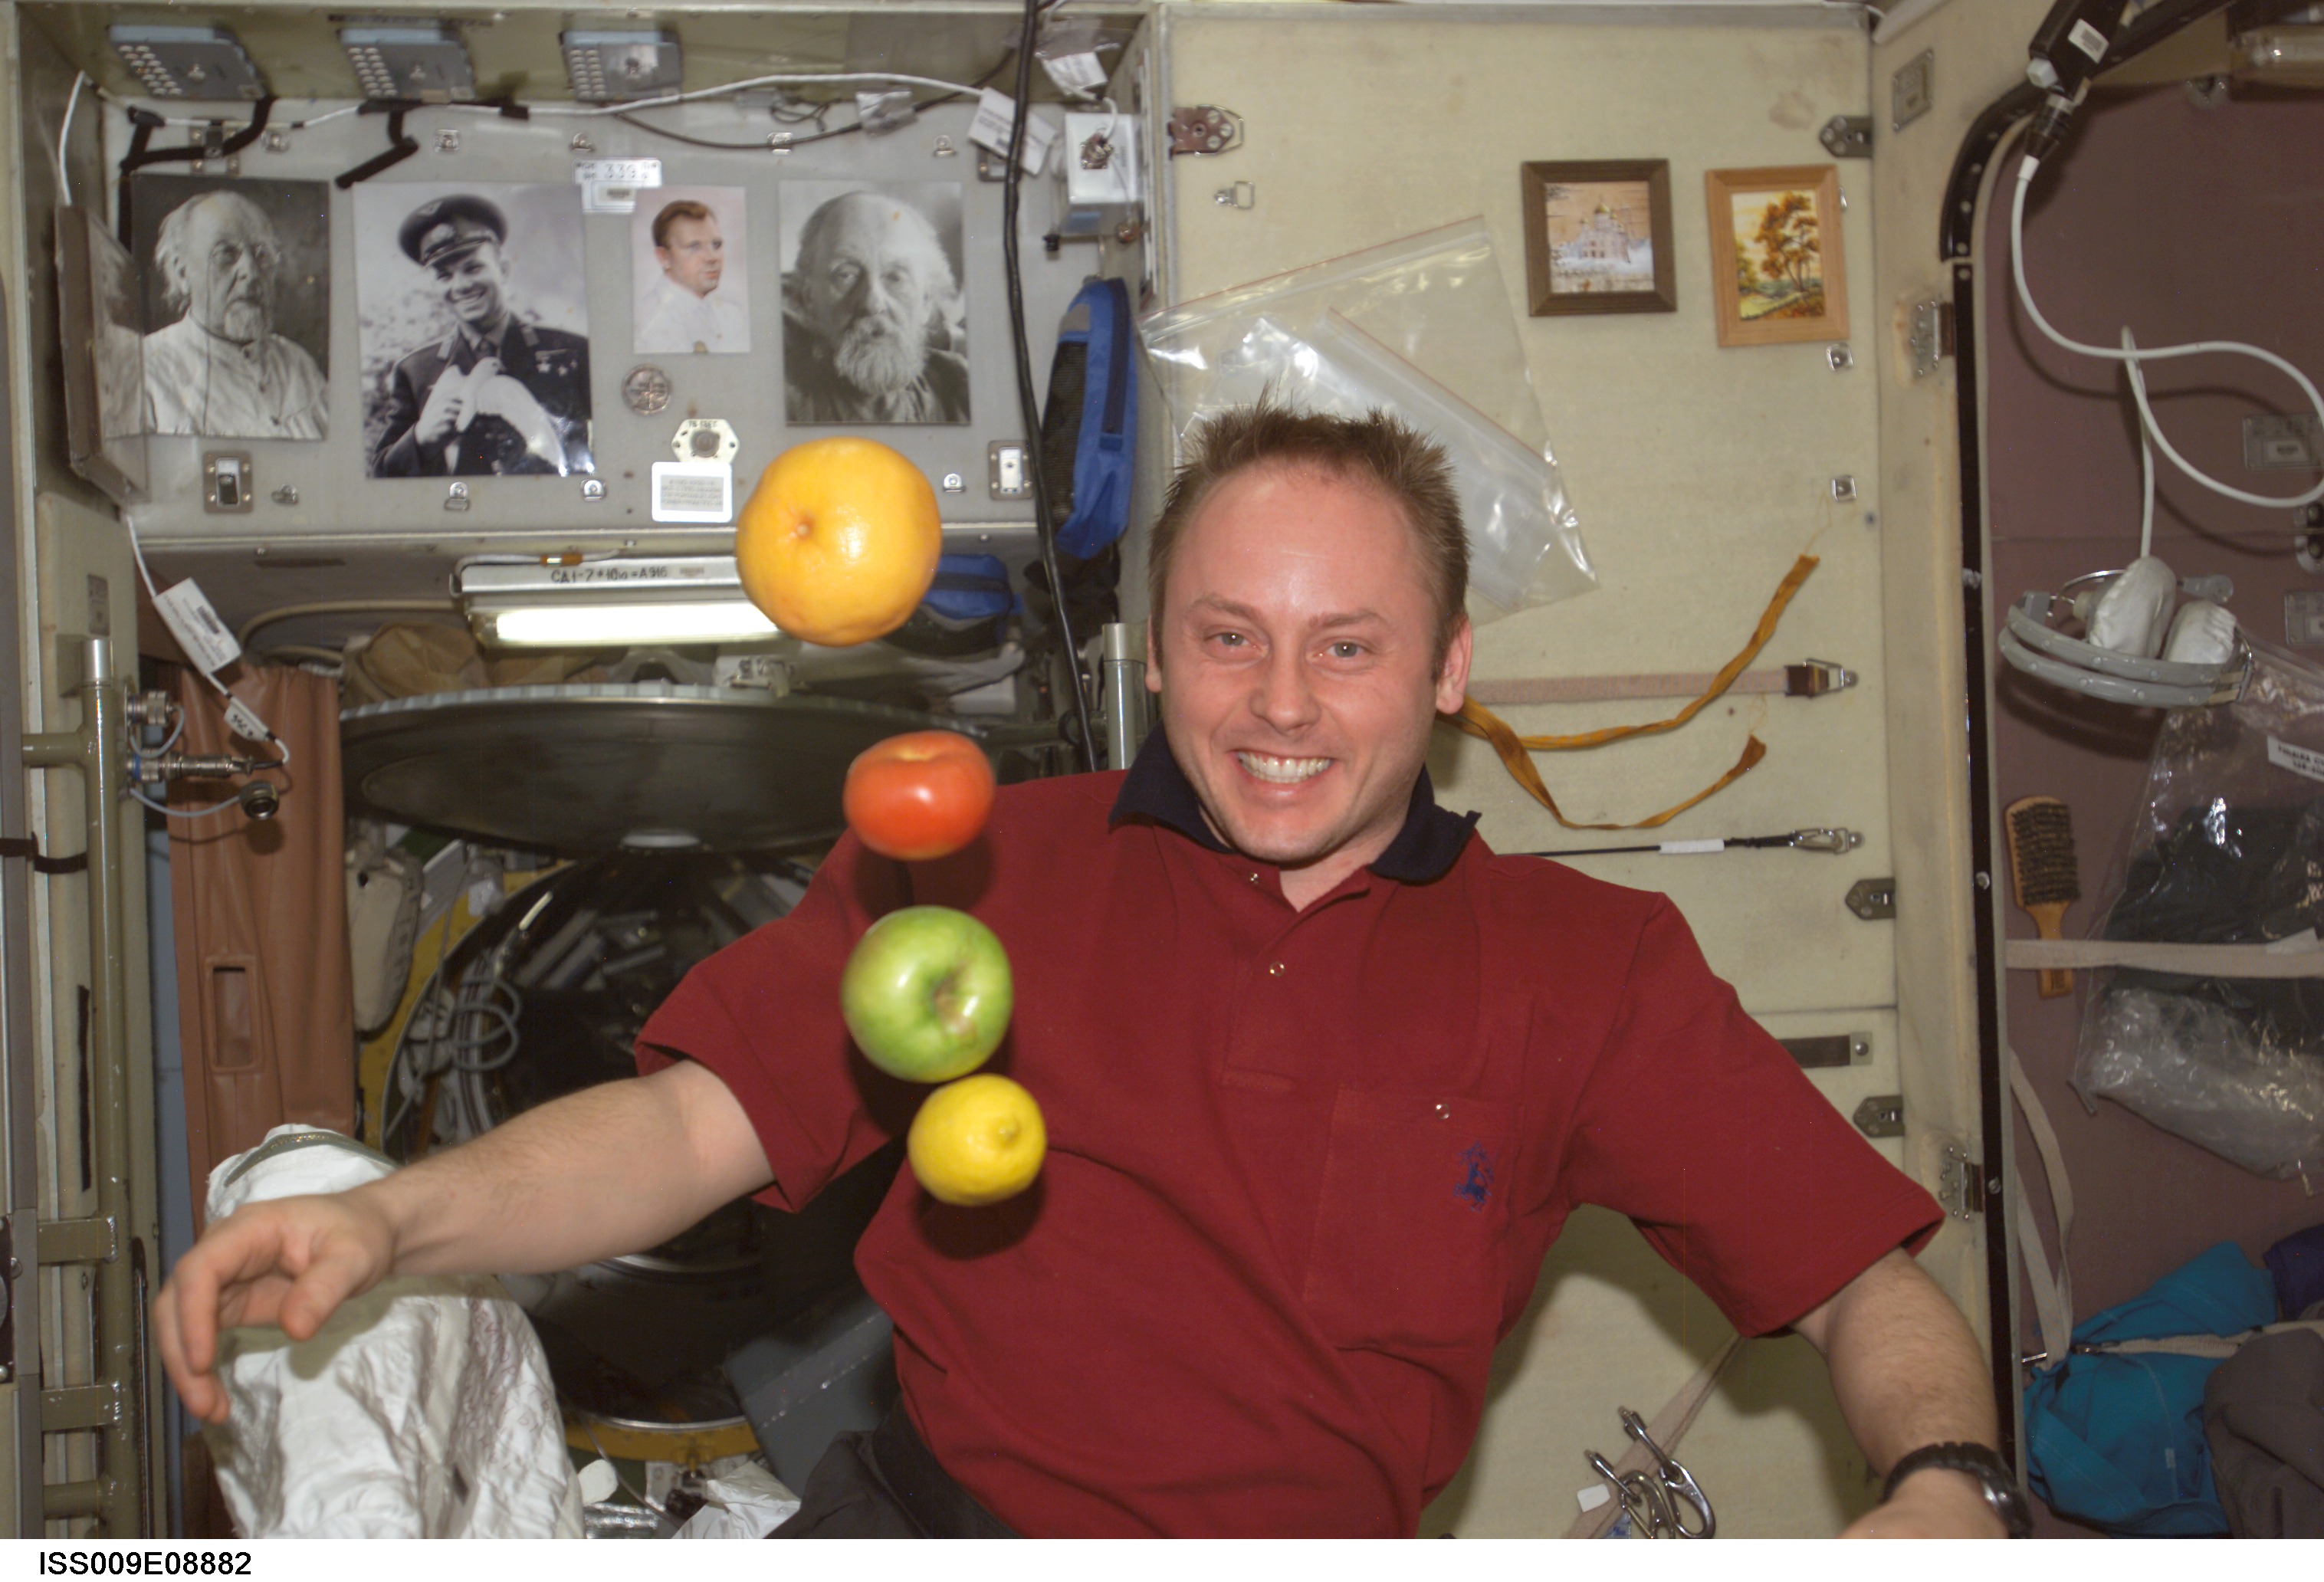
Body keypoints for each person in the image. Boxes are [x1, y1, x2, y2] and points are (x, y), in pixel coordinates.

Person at [156, 403, 2019, 1539]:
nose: (1282, 704)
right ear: (1156, 655)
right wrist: (395, 1221)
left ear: (1450, 666)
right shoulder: (983, 859)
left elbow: (1868, 1277)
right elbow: (692, 1122)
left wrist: (1946, 1479)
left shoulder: (1585, 965)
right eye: (1229, 636)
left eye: (1348, 644)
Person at [371, 195, 592, 478]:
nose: (461, 285)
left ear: (503, 270)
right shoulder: (415, 371)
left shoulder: (571, 352)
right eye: (444, 276)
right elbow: (380, 474)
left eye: (473, 268)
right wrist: (419, 440)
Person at [142, 189, 328, 440]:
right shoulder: (146, 368)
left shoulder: (298, 364)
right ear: (182, 273)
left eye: (262, 255)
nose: (251, 272)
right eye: (226, 254)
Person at [783, 189, 969, 425]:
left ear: (925, 302)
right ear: (810, 299)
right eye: (846, 275)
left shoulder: (958, 388)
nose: (873, 303)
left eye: (896, 277)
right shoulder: (779, 402)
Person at [635, 199, 749, 356]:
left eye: (716, 245)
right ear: (664, 257)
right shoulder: (652, 321)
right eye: (694, 247)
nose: (712, 257)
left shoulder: (732, 312)